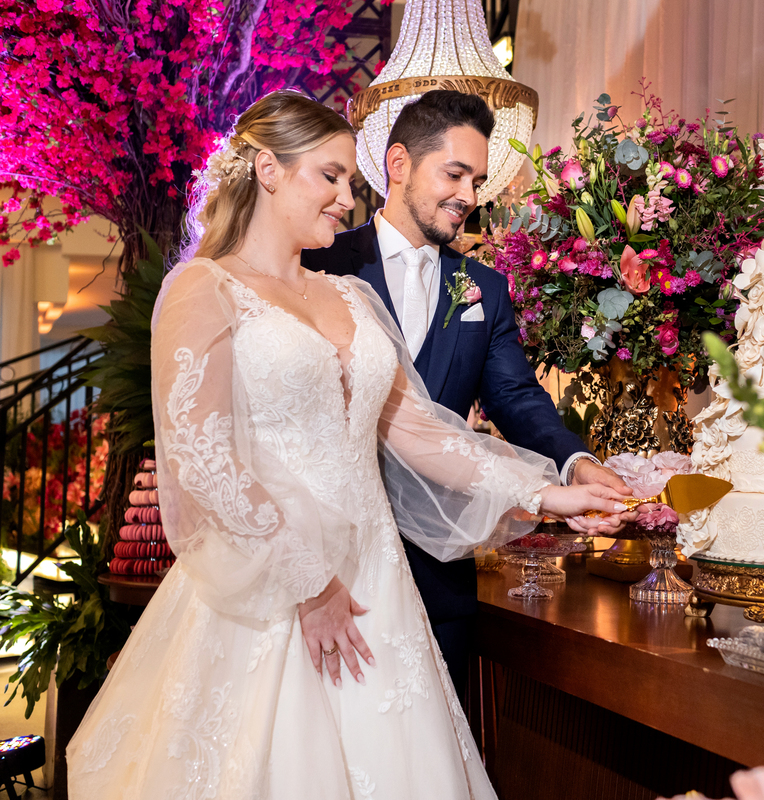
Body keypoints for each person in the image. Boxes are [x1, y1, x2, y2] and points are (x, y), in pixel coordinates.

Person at [66, 90, 628, 800]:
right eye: (330, 177)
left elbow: (418, 432)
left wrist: (546, 491)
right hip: (271, 586)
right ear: (267, 169)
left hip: (376, 582)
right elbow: (203, 458)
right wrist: (308, 581)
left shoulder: (352, 299)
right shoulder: (200, 289)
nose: (343, 199)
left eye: (349, 185)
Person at [302, 90, 637, 699]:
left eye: (478, 180)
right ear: (398, 165)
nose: (470, 196)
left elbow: (514, 395)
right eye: (454, 174)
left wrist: (574, 462)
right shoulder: (319, 261)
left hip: (439, 574)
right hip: (332, 559)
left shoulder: (483, 285)